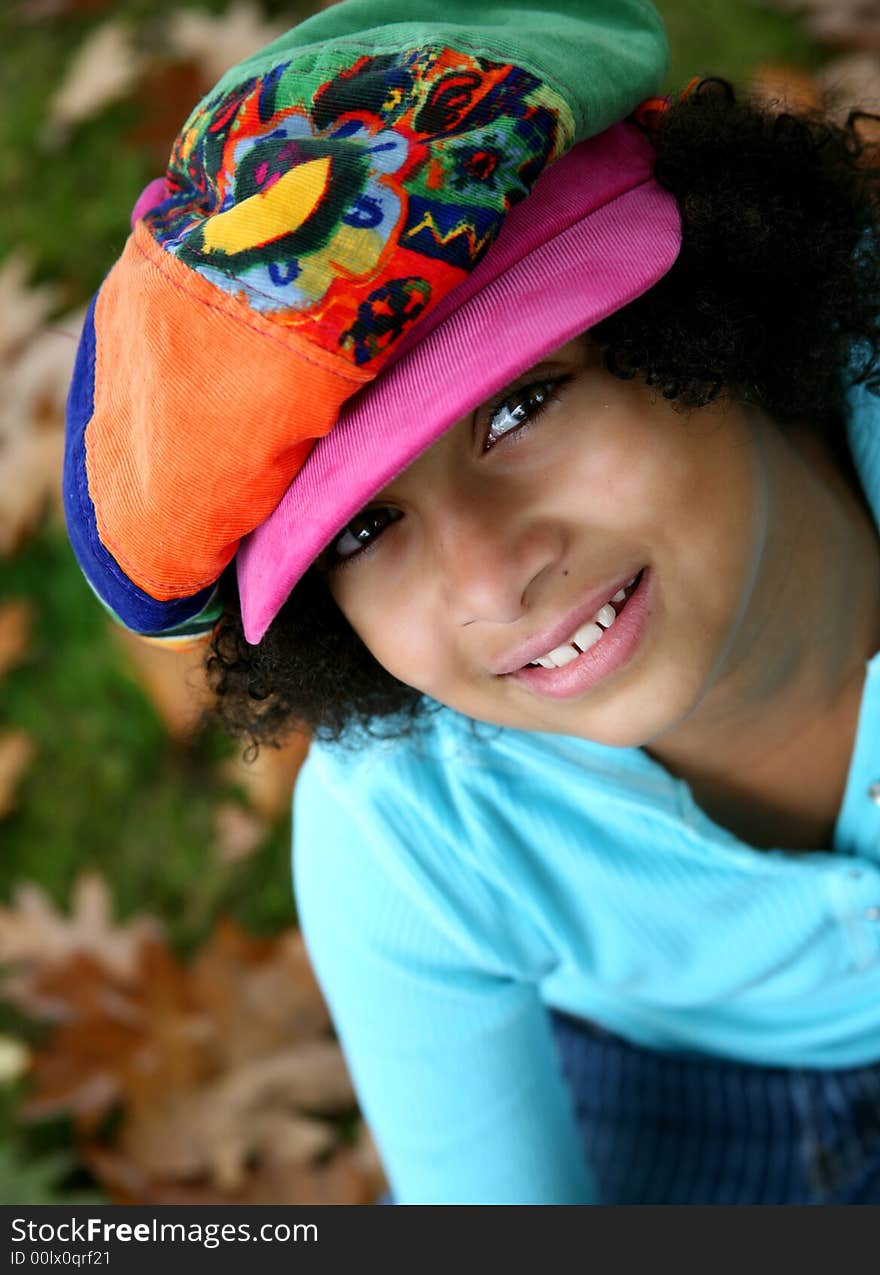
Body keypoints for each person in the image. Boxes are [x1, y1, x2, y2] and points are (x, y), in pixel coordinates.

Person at [62, 0, 880, 1204]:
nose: (492, 577)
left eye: (518, 408)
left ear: (711, 310)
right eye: (365, 529)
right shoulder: (411, 832)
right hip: (694, 1093)